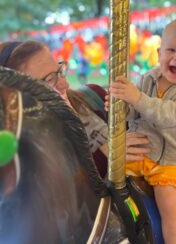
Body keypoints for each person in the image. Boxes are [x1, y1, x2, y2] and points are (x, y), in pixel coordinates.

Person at [106, 16, 176, 244]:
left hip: (168, 161)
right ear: (159, 53)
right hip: (138, 154)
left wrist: (137, 98)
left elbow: (169, 115)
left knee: (169, 203)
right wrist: (119, 107)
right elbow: (134, 113)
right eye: (171, 50)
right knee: (106, 185)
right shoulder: (148, 79)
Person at [0, 40, 150, 177]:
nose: (64, 84)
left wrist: (131, 108)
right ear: (16, 99)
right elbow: (61, 196)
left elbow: (141, 132)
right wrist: (105, 155)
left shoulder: (94, 96)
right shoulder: (28, 149)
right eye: (49, 81)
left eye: (59, 71)